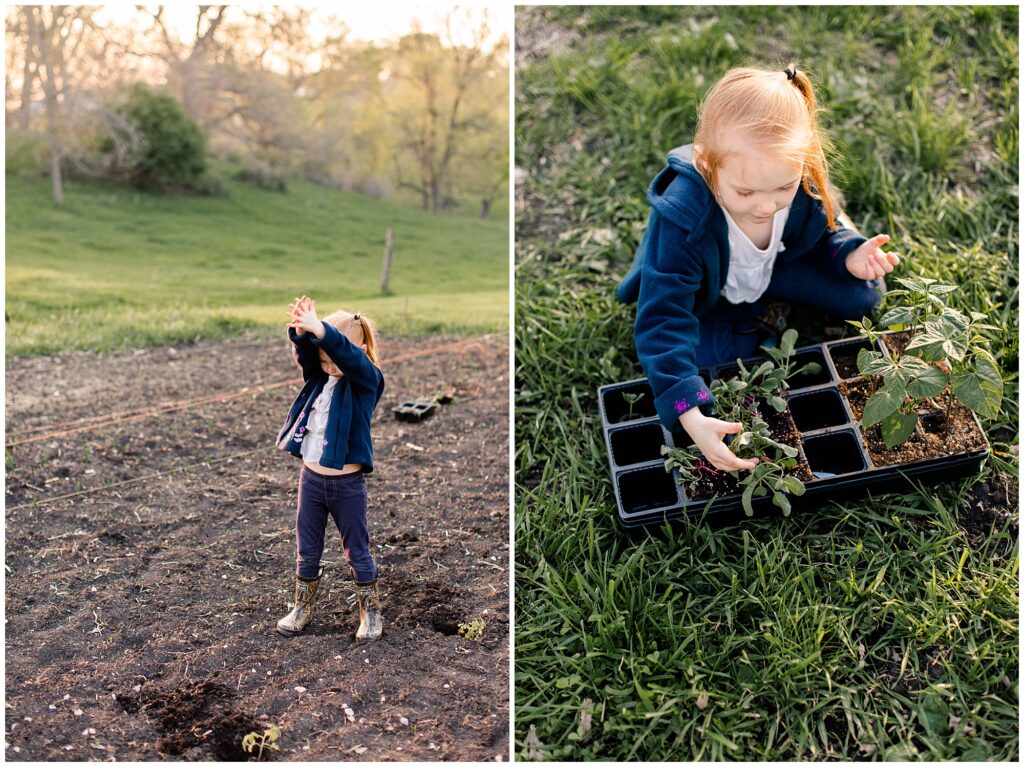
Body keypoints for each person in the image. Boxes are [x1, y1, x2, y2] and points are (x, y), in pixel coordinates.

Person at [617, 64, 899, 473]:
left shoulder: (798, 183)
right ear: (706, 165)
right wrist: (687, 410)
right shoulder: (682, 218)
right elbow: (663, 319)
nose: (766, 206)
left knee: (865, 292)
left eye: (782, 189)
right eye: (744, 191)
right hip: (710, 296)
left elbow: (823, 232)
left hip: (774, 267)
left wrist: (850, 253)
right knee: (715, 362)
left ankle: (766, 306)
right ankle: (752, 317)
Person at [275, 295, 386, 641]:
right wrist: (302, 330)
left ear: (360, 350)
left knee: (357, 549)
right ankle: (302, 607)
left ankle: (370, 613)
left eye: (334, 358)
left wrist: (324, 331)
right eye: (323, 360)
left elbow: (348, 359)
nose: (330, 365)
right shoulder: (318, 379)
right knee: (307, 548)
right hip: (311, 481)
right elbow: (308, 353)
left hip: (347, 486)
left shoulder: (366, 382)